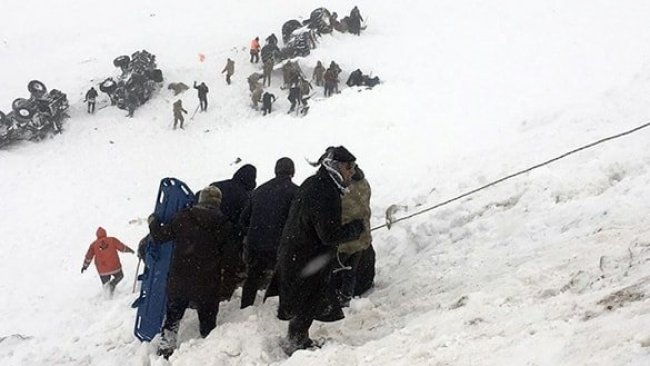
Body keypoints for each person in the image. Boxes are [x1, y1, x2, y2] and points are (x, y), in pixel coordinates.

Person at [265, 146, 364, 356]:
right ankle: (297, 343)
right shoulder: (324, 191)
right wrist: (355, 228)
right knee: (306, 300)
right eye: (349, 167)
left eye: (353, 167)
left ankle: (297, 339)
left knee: (305, 300)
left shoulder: (317, 183)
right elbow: (328, 234)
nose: (352, 172)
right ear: (335, 167)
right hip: (305, 257)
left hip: (298, 253)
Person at [148, 186, 232, 359]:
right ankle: (206, 356)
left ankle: (165, 351)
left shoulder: (182, 217)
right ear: (218, 203)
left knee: (172, 320)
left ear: (200, 200)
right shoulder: (224, 225)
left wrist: (153, 222)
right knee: (208, 326)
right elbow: (230, 258)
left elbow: (159, 236)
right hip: (207, 283)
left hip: (180, 280)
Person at [239, 158, 298, 309]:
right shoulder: (296, 192)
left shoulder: (259, 191)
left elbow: (244, 219)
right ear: (292, 171)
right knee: (284, 277)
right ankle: (277, 309)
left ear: (276, 170)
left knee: (253, 277)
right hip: (280, 244)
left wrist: (254, 232)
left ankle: (245, 307)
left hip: (256, 243)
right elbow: (297, 221)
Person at [209, 165, 257, 301]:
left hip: (206, 233)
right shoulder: (246, 196)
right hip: (230, 238)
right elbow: (246, 221)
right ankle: (224, 298)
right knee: (230, 268)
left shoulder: (216, 186)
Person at [334, 165, 372, 307]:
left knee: (333, 268)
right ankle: (346, 296)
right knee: (351, 270)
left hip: (345, 239)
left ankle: (331, 298)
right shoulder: (364, 183)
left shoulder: (342, 188)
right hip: (362, 237)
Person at [81, 227, 135, 294]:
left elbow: (88, 256)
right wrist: (130, 250)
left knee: (106, 286)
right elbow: (122, 247)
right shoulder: (112, 240)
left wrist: (85, 266)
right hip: (114, 266)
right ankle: (112, 284)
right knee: (120, 276)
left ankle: (107, 297)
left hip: (102, 270)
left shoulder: (94, 245)